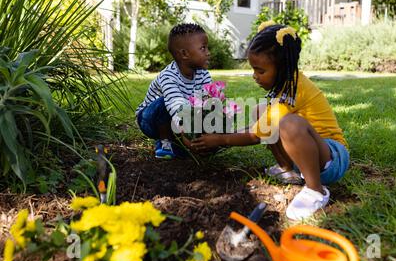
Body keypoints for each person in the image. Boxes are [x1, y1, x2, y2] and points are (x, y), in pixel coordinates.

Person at [189, 22, 350, 220]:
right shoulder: (286, 82)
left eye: (261, 71)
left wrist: (221, 139)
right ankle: (286, 169)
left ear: (281, 68)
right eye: (254, 70)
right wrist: (226, 135)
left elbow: (255, 135)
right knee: (261, 111)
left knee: (289, 124)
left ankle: (316, 190)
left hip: (331, 158)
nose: (255, 77)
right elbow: (261, 125)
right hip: (311, 155)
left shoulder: (293, 89)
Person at [135, 23, 211, 159]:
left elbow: (205, 103)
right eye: (203, 48)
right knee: (166, 102)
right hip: (149, 120)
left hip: (177, 119)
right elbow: (175, 104)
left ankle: (178, 145)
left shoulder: (203, 74)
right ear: (184, 54)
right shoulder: (168, 76)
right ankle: (164, 142)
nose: (208, 52)